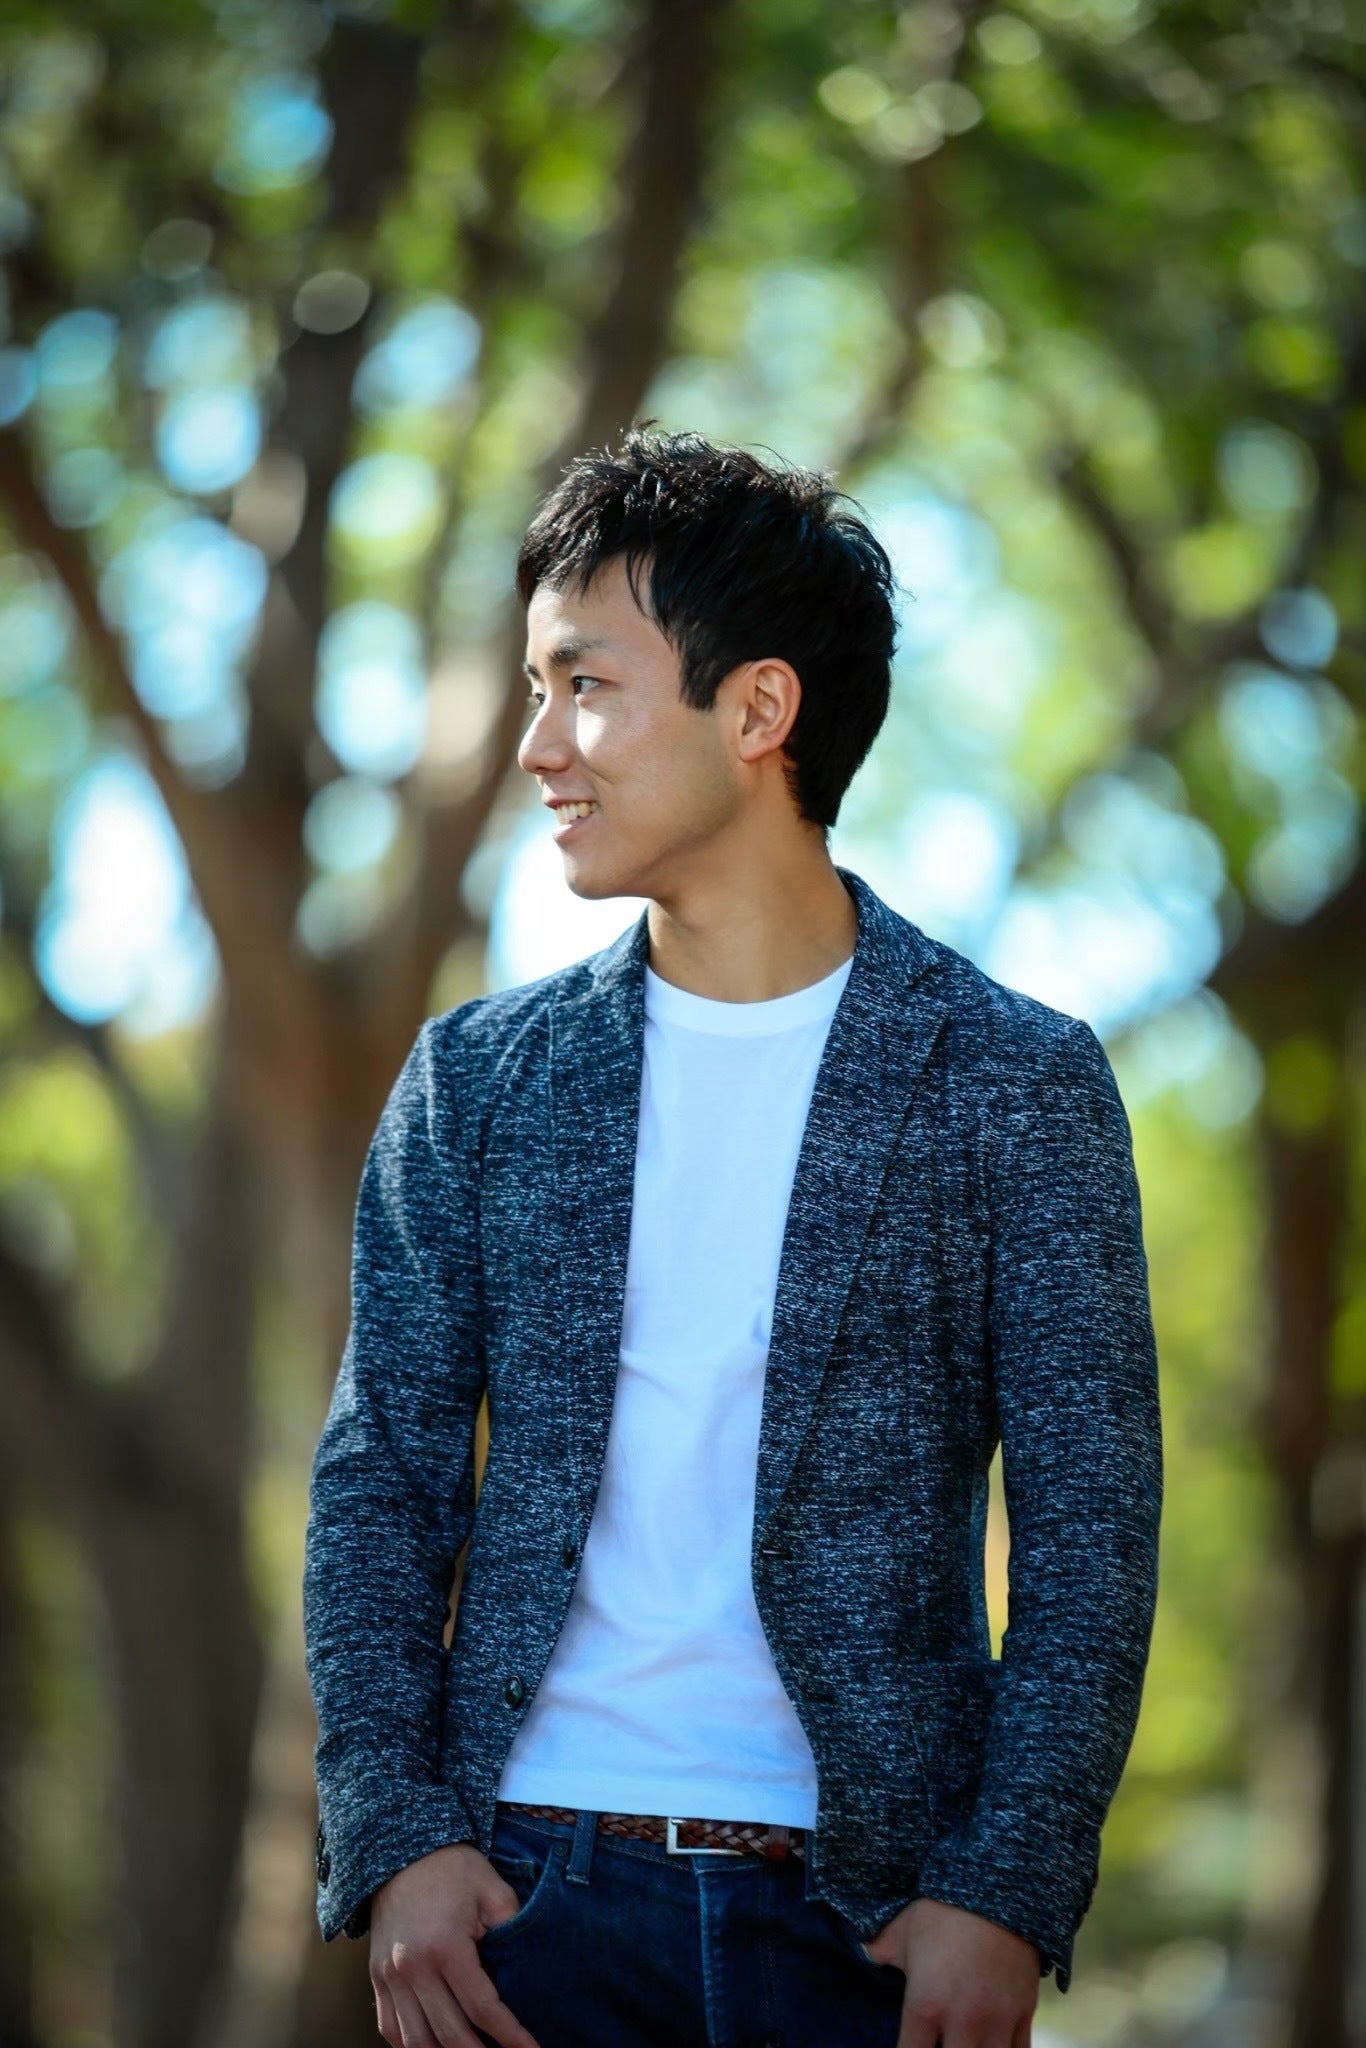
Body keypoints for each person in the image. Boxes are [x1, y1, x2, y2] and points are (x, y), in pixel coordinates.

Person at [302, 425, 1163, 2048]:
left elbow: (1088, 1534)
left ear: (759, 711)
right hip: (524, 1904)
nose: (537, 746)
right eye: (536, 688)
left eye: (585, 686)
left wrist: (1005, 1889)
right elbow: (379, 1486)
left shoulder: (1014, 1080)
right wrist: (396, 1837)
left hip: (871, 1925)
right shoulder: (477, 1080)